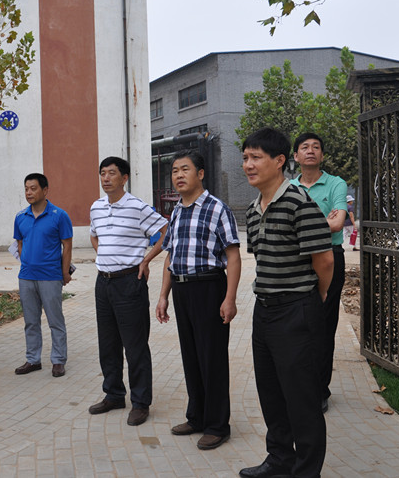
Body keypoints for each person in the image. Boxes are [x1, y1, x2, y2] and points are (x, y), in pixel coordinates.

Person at [240, 128, 334, 478]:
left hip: (296, 311)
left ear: (279, 161)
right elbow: (263, 258)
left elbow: (324, 261)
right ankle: (280, 458)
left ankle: (307, 471)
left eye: (256, 157)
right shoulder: (252, 210)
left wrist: (313, 298)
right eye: (245, 158)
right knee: (271, 393)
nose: (248, 165)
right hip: (264, 311)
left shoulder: (298, 202)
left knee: (302, 398)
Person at [155, 150, 241, 451]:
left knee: (212, 357)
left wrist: (230, 299)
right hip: (182, 290)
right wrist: (163, 295)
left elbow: (233, 256)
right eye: (174, 171)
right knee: (191, 356)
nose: (178, 175)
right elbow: (170, 255)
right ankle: (197, 417)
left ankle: (218, 426)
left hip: (208, 288)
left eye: (185, 169)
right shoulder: (177, 211)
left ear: (200, 174)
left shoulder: (217, 208)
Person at [88, 156, 167, 427]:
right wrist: (103, 255)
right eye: (102, 173)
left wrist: (146, 260)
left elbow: (166, 231)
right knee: (108, 343)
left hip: (129, 282)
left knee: (135, 346)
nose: (106, 178)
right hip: (103, 283)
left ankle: (141, 402)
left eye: (112, 173)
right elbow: (94, 234)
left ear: (124, 178)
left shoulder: (137, 207)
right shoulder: (96, 207)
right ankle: (113, 394)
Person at [290, 132, 348, 414]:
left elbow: (338, 223)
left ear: (322, 155)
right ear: (296, 156)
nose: (310, 151)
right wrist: (321, 221)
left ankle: (320, 389)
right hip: (298, 259)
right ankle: (299, 386)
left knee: (324, 326)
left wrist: (300, 224)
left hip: (329, 257)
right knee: (297, 325)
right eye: (305, 147)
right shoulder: (289, 187)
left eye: (316, 147)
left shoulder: (336, 183)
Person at [13, 173, 73, 378]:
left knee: (55, 320)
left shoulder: (59, 215)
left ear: (45, 190)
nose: (29, 192)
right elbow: (20, 244)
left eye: (33, 188)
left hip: (50, 276)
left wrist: (64, 272)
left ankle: (58, 360)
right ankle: (33, 359)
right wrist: (28, 262)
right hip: (26, 277)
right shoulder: (20, 217)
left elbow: (67, 246)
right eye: (26, 189)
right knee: (30, 321)